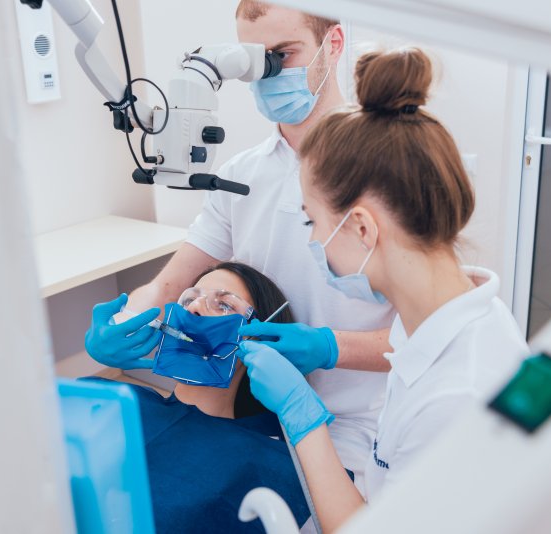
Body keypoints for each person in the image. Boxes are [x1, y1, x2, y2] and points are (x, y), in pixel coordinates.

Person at [85, 0, 394, 489]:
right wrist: (123, 323)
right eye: (254, 61)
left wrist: (330, 348)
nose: (268, 74)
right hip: (248, 411)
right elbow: (174, 282)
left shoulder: (392, 170)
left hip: (349, 428)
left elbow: (434, 334)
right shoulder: (241, 176)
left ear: (332, 45)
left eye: (283, 54)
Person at [238, 47, 530, 531]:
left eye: (312, 221)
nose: (311, 240)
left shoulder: (456, 394)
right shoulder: (438, 324)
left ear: (361, 228)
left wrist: (303, 419)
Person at [86, 262, 315, 532]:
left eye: (224, 305)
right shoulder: (105, 397)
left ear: (258, 338)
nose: (193, 308)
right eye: (189, 299)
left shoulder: (268, 463)